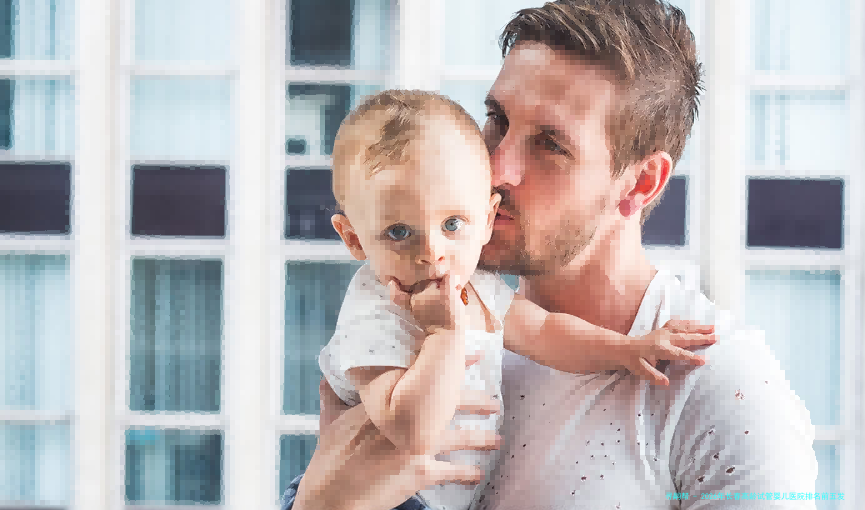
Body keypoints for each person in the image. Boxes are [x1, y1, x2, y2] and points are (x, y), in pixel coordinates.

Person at [282, 1, 819, 509]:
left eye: (549, 144)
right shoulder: (429, 318)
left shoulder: (722, 389)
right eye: (496, 119)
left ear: (640, 183)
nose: (496, 169)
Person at [317, 89, 715, 510]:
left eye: (452, 224)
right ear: (353, 238)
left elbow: (546, 331)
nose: (431, 252)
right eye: (399, 232)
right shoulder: (375, 315)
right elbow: (411, 433)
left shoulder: (478, 287)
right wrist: (443, 335)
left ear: (487, 219)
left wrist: (627, 349)